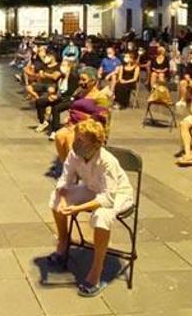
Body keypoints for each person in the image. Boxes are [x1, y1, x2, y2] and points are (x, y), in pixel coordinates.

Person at [48, 119, 134, 298]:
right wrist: (64, 198)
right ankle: (63, 242)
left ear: (95, 144)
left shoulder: (106, 161)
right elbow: (65, 179)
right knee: (55, 198)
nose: (75, 143)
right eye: (76, 138)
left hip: (118, 194)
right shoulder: (75, 154)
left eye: (81, 140)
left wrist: (77, 208)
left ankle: (97, 269)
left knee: (101, 216)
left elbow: (107, 198)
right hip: (91, 189)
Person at [34, 59, 79, 133]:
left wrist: (57, 97)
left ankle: (55, 130)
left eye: (64, 65)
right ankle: (43, 122)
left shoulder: (73, 77)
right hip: (58, 97)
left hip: (68, 99)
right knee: (40, 101)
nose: (61, 67)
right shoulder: (60, 76)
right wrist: (53, 91)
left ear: (69, 67)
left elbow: (71, 92)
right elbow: (57, 86)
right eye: (61, 65)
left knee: (56, 108)